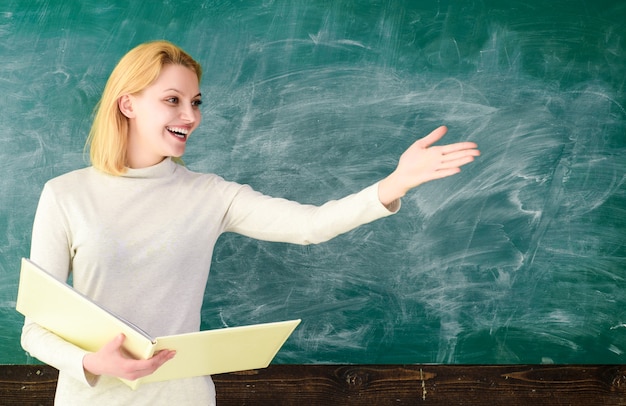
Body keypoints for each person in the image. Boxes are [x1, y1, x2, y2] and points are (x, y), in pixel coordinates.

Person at [20, 40, 480, 405]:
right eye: (173, 100)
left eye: (196, 102)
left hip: (184, 398)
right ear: (128, 105)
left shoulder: (209, 194)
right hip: (91, 398)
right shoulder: (65, 194)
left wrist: (394, 184)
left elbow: (312, 225)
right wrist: (93, 362)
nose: (190, 116)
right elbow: (35, 328)